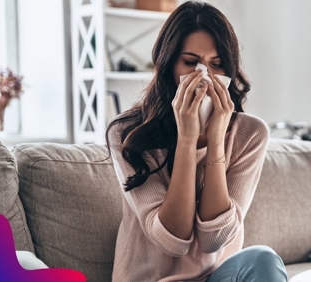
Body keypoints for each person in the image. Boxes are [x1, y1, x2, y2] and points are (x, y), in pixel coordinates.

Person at [104, 1, 288, 281]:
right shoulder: (127, 133)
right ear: (168, 65)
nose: (205, 77)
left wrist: (215, 141)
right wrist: (187, 140)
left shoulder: (250, 134)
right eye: (191, 63)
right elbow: (173, 240)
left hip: (213, 277)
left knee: (263, 258)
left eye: (217, 65)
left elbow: (215, 240)